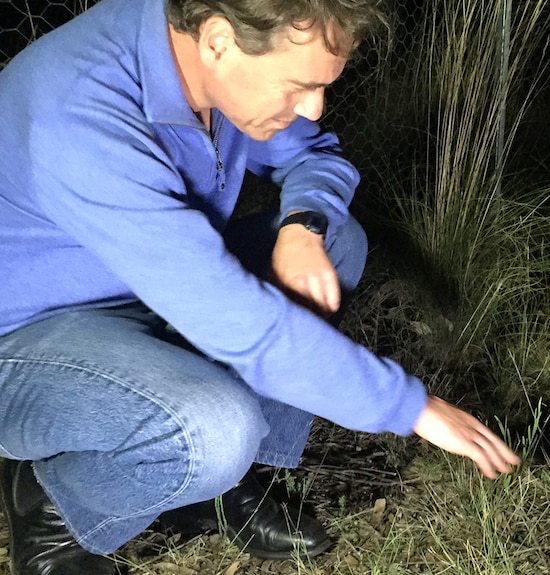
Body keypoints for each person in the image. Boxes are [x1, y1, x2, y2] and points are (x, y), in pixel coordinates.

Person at [0, 0, 522, 573]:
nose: (314, 108)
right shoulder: (80, 115)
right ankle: (55, 508)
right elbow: (238, 322)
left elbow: (316, 155)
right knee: (213, 429)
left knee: (332, 239)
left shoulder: (205, 51)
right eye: (297, 87)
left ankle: (216, 485)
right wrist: (410, 406)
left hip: (140, 293)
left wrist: (302, 224)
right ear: (219, 41)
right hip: (28, 341)